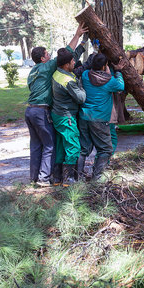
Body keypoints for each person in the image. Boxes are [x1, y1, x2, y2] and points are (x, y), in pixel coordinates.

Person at [26, 23, 87, 187]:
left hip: (29, 111)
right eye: (47, 54)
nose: (50, 55)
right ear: (43, 58)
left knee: (36, 145)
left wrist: (81, 46)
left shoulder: (33, 72)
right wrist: (77, 35)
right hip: (41, 111)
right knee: (50, 145)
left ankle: (38, 178)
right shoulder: (48, 67)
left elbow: (68, 57)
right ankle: (48, 179)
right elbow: (67, 51)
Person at [78, 53, 124, 181]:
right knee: (105, 149)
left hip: (84, 116)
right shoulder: (110, 81)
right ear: (105, 66)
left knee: (83, 148)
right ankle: (97, 177)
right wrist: (118, 71)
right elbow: (121, 86)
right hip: (100, 119)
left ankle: (77, 175)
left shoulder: (86, 75)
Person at [51, 48, 86, 186]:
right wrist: (81, 84)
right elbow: (81, 98)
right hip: (67, 117)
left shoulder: (57, 73)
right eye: (72, 61)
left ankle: (57, 178)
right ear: (66, 64)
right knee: (73, 146)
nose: (74, 62)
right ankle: (69, 179)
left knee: (61, 146)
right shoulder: (68, 81)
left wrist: (83, 43)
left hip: (57, 115)